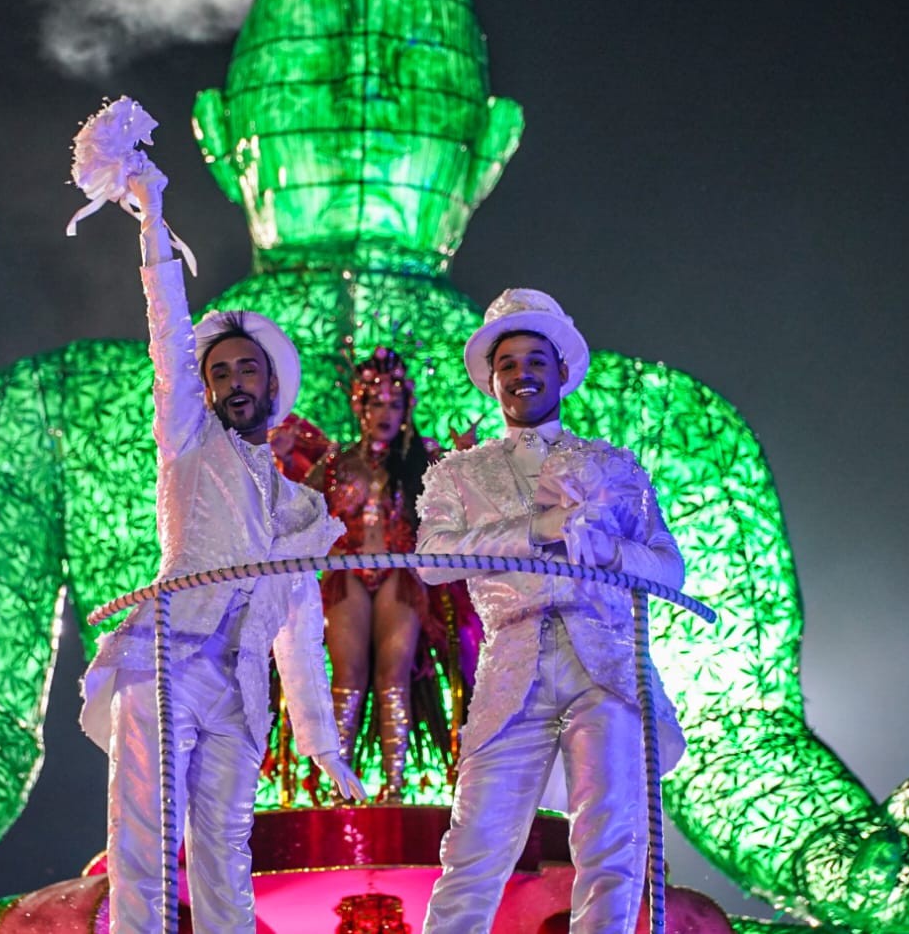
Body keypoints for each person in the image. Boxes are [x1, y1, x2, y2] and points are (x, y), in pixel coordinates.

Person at [78, 162, 366, 934]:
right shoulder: (188, 441)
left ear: (274, 385)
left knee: (225, 851)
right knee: (145, 838)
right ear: (202, 388)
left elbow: (299, 628)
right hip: (166, 658)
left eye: (248, 369)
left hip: (239, 688)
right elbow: (167, 338)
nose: (234, 381)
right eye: (220, 372)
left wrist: (321, 743)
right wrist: (153, 220)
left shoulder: (303, 508)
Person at [415, 288, 686, 934]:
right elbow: (431, 558)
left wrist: (611, 550)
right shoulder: (458, 474)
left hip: (607, 667)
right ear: (491, 379)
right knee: (475, 845)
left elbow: (669, 568)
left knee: (612, 841)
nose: (521, 373)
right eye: (507, 363)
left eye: (535, 358)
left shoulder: (615, 467)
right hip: (514, 668)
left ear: (562, 368)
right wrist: (540, 526)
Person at [302, 347, 474, 804]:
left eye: (393, 404)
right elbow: (295, 510)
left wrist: (465, 462)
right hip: (347, 574)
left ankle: (393, 789)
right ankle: (339, 787)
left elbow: (464, 504)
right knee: (347, 675)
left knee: (393, 675)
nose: (384, 413)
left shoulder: (425, 459)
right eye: (374, 402)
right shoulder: (336, 463)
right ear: (358, 406)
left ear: (406, 409)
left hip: (400, 573)